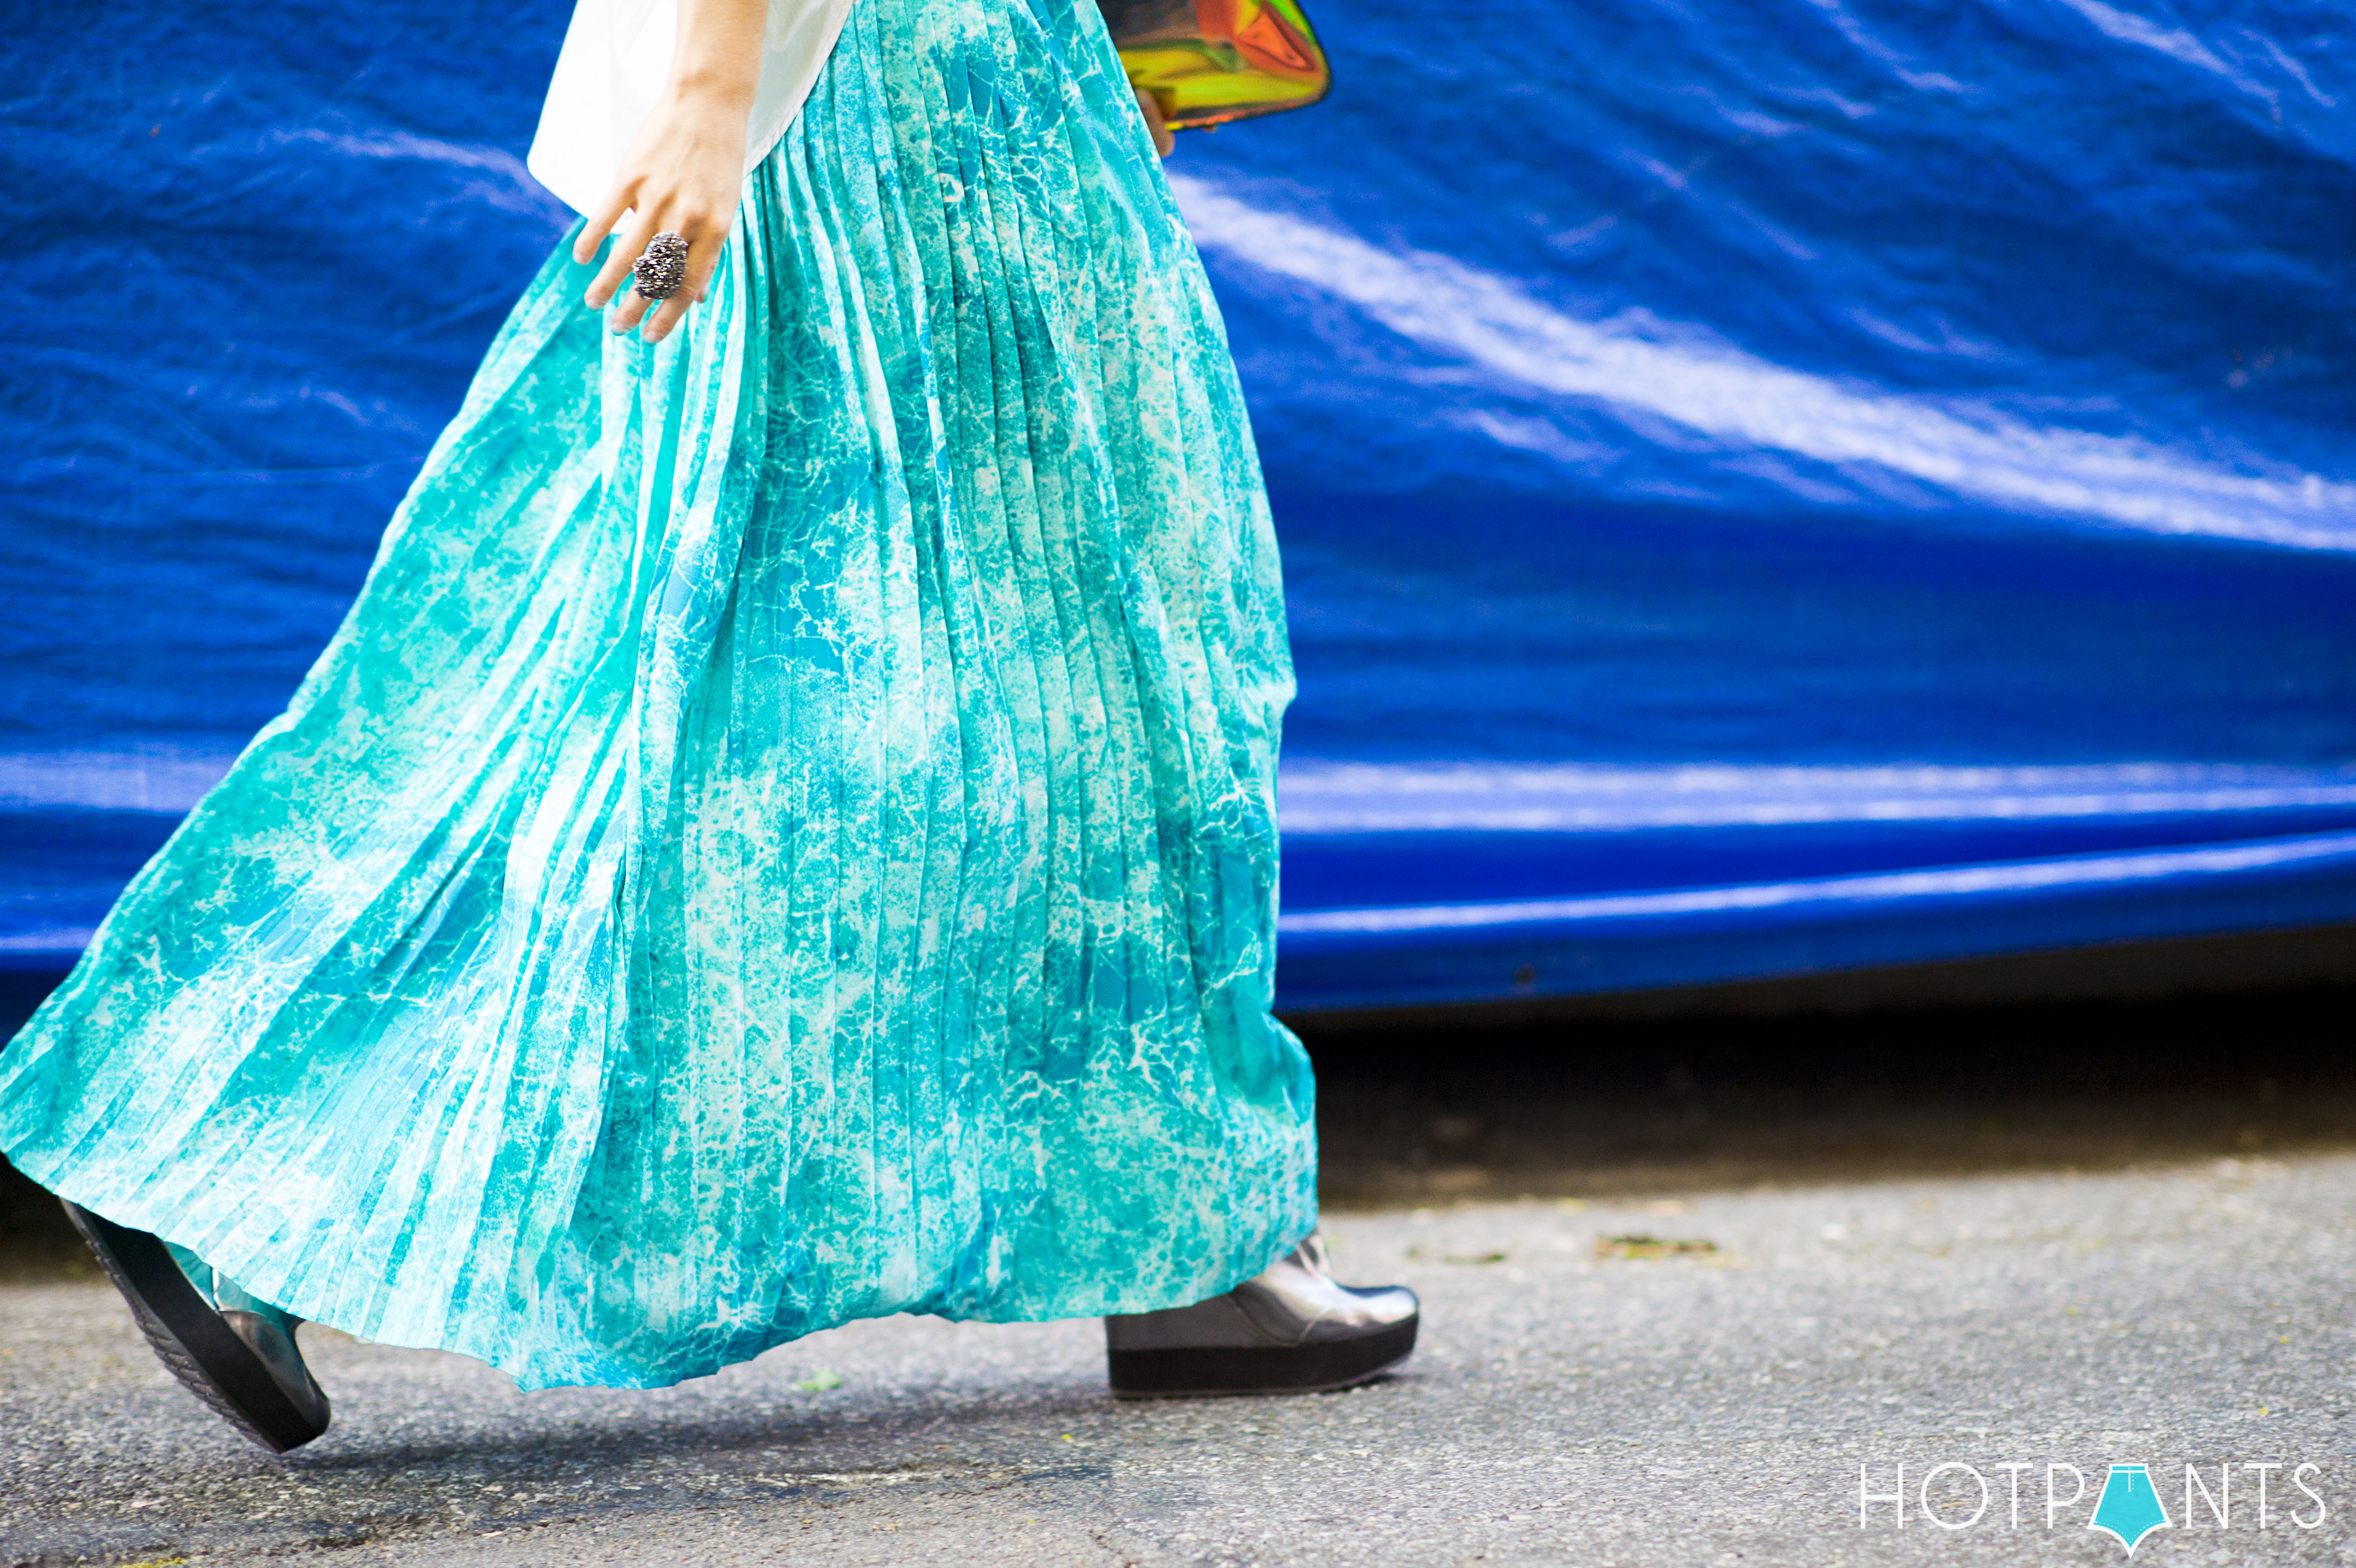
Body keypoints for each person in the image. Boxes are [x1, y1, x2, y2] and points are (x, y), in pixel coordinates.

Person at [0, 0, 1414, 1452]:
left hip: (981, 87)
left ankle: (1187, 1234)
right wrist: (703, 105)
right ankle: (220, 1165)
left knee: (1103, 677)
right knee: (702, 684)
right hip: (853, 109)